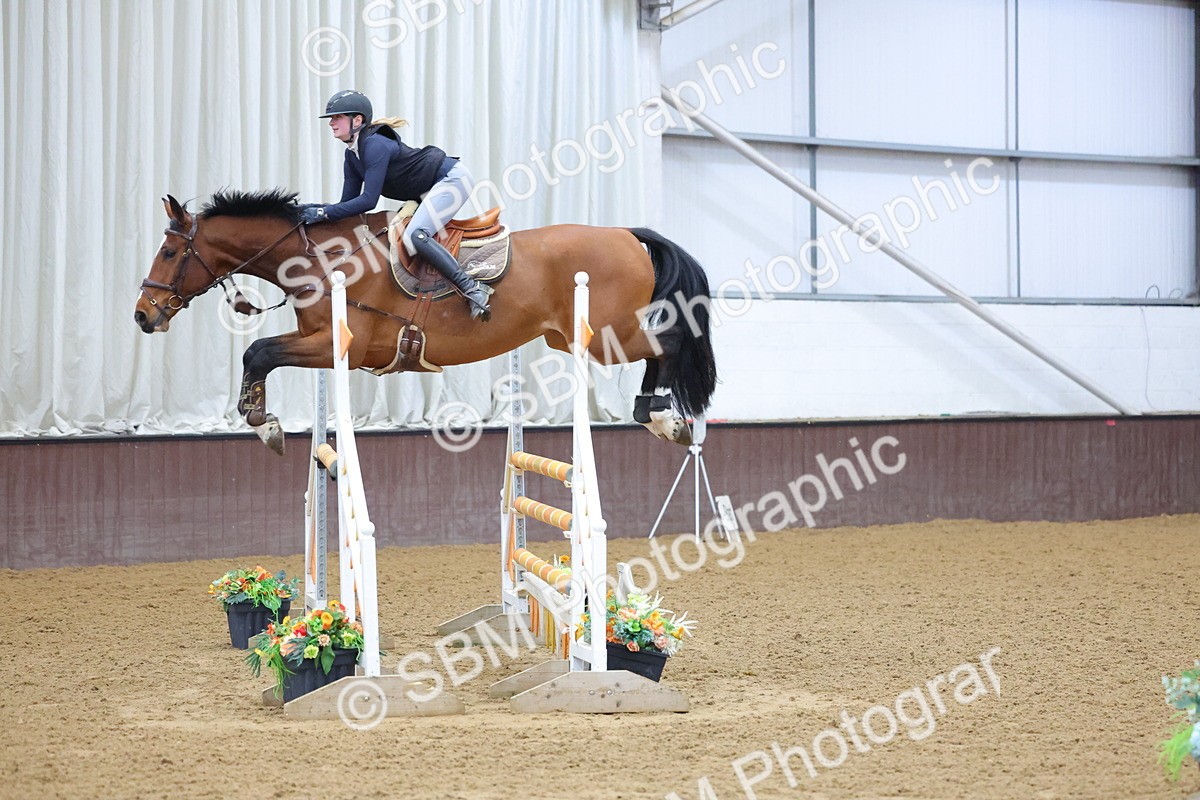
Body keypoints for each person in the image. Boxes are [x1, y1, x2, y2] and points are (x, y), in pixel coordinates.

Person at [300, 89, 492, 321]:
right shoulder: (352, 156)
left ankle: (472, 288)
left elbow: (368, 201)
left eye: (337, 117)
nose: (331, 123)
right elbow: (348, 205)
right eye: (332, 118)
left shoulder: (375, 145)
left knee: (416, 235)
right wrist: (309, 210)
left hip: (451, 179)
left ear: (357, 120)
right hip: (428, 189)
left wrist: (322, 212)